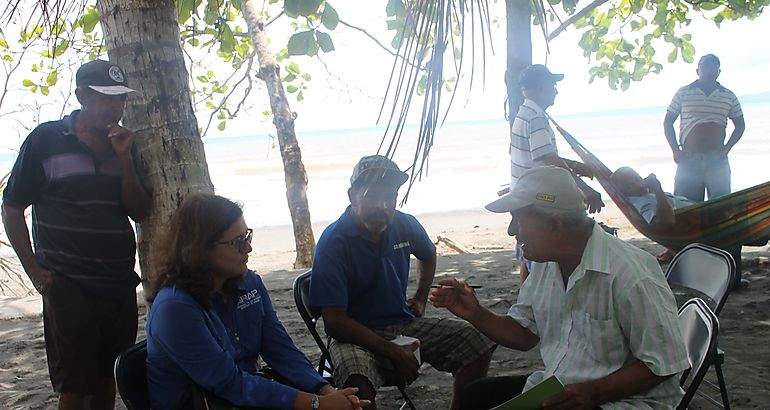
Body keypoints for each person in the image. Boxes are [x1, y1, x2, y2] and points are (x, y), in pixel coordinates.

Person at [431, 166, 689, 410]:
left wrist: (593, 392)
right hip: (566, 388)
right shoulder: (546, 263)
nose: (512, 232)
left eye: (517, 220)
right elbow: (524, 335)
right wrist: (475, 313)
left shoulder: (630, 272)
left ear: (555, 225)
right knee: (475, 396)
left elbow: (665, 363)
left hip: (625, 402)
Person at [1, 59, 149, 410]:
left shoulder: (125, 145)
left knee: (106, 379)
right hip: (68, 284)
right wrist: (36, 273)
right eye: (105, 98)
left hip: (117, 282)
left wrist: (125, 158)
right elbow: (11, 206)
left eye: (120, 99)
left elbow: (139, 211)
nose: (115, 107)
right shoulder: (47, 140)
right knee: (75, 385)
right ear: (82, 95)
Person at [146, 193, 367, 410]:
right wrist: (317, 404)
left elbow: (280, 348)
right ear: (200, 250)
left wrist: (324, 390)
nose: (249, 248)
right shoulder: (175, 309)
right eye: (238, 243)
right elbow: (229, 384)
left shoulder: (248, 283)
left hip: (245, 394)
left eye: (247, 237)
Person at [309, 155, 495, 410]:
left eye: (391, 197)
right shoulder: (334, 242)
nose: (382, 205)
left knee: (475, 344)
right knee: (356, 388)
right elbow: (335, 322)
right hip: (352, 334)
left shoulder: (404, 223)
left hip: (402, 322)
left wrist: (420, 298)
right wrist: (391, 351)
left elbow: (428, 254)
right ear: (353, 196)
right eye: (372, 196)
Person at [511, 64, 604, 283]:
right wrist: (586, 189)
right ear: (541, 87)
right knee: (542, 252)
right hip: (538, 198)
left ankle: (527, 300)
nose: (555, 90)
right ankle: (536, 301)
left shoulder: (524, 114)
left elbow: (543, 155)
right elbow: (549, 161)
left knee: (527, 254)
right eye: (552, 85)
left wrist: (577, 166)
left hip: (524, 194)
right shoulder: (536, 118)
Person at [664, 54, 745, 202]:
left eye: (713, 67)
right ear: (697, 70)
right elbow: (668, 122)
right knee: (686, 205)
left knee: (721, 207)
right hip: (688, 158)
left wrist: (727, 148)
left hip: (717, 159)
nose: (709, 70)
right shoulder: (683, 92)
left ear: (719, 72)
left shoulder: (728, 95)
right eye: (705, 66)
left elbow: (740, 125)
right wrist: (675, 150)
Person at [611, 166, 695, 229]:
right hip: (696, 221)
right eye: (631, 185)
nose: (640, 184)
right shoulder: (639, 203)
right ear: (624, 193)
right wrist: (657, 189)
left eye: (638, 178)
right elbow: (665, 221)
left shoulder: (649, 196)